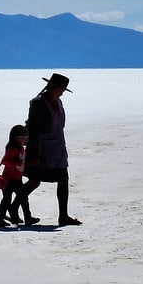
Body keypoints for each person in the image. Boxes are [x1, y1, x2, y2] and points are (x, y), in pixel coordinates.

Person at [20, 73, 82, 227]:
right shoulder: (39, 103)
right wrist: (35, 153)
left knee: (63, 180)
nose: (62, 92)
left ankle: (63, 216)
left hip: (57, 149)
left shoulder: (58, 103)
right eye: (61, 89)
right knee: (35, 180)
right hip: (43, 149)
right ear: (52, 87)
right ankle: (12, 207)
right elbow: (34, 130)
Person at [0, 124, 39, 228]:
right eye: (25, 137)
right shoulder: (13, 149)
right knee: (7, 199)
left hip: (17, 179)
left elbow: (22, 163)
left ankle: (27, 218)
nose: (27, 140)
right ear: (17, 138)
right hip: (9, 179)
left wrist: (32, 163)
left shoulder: (20, 148)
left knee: (21, 198)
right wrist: (16, 164)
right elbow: (5, 161)